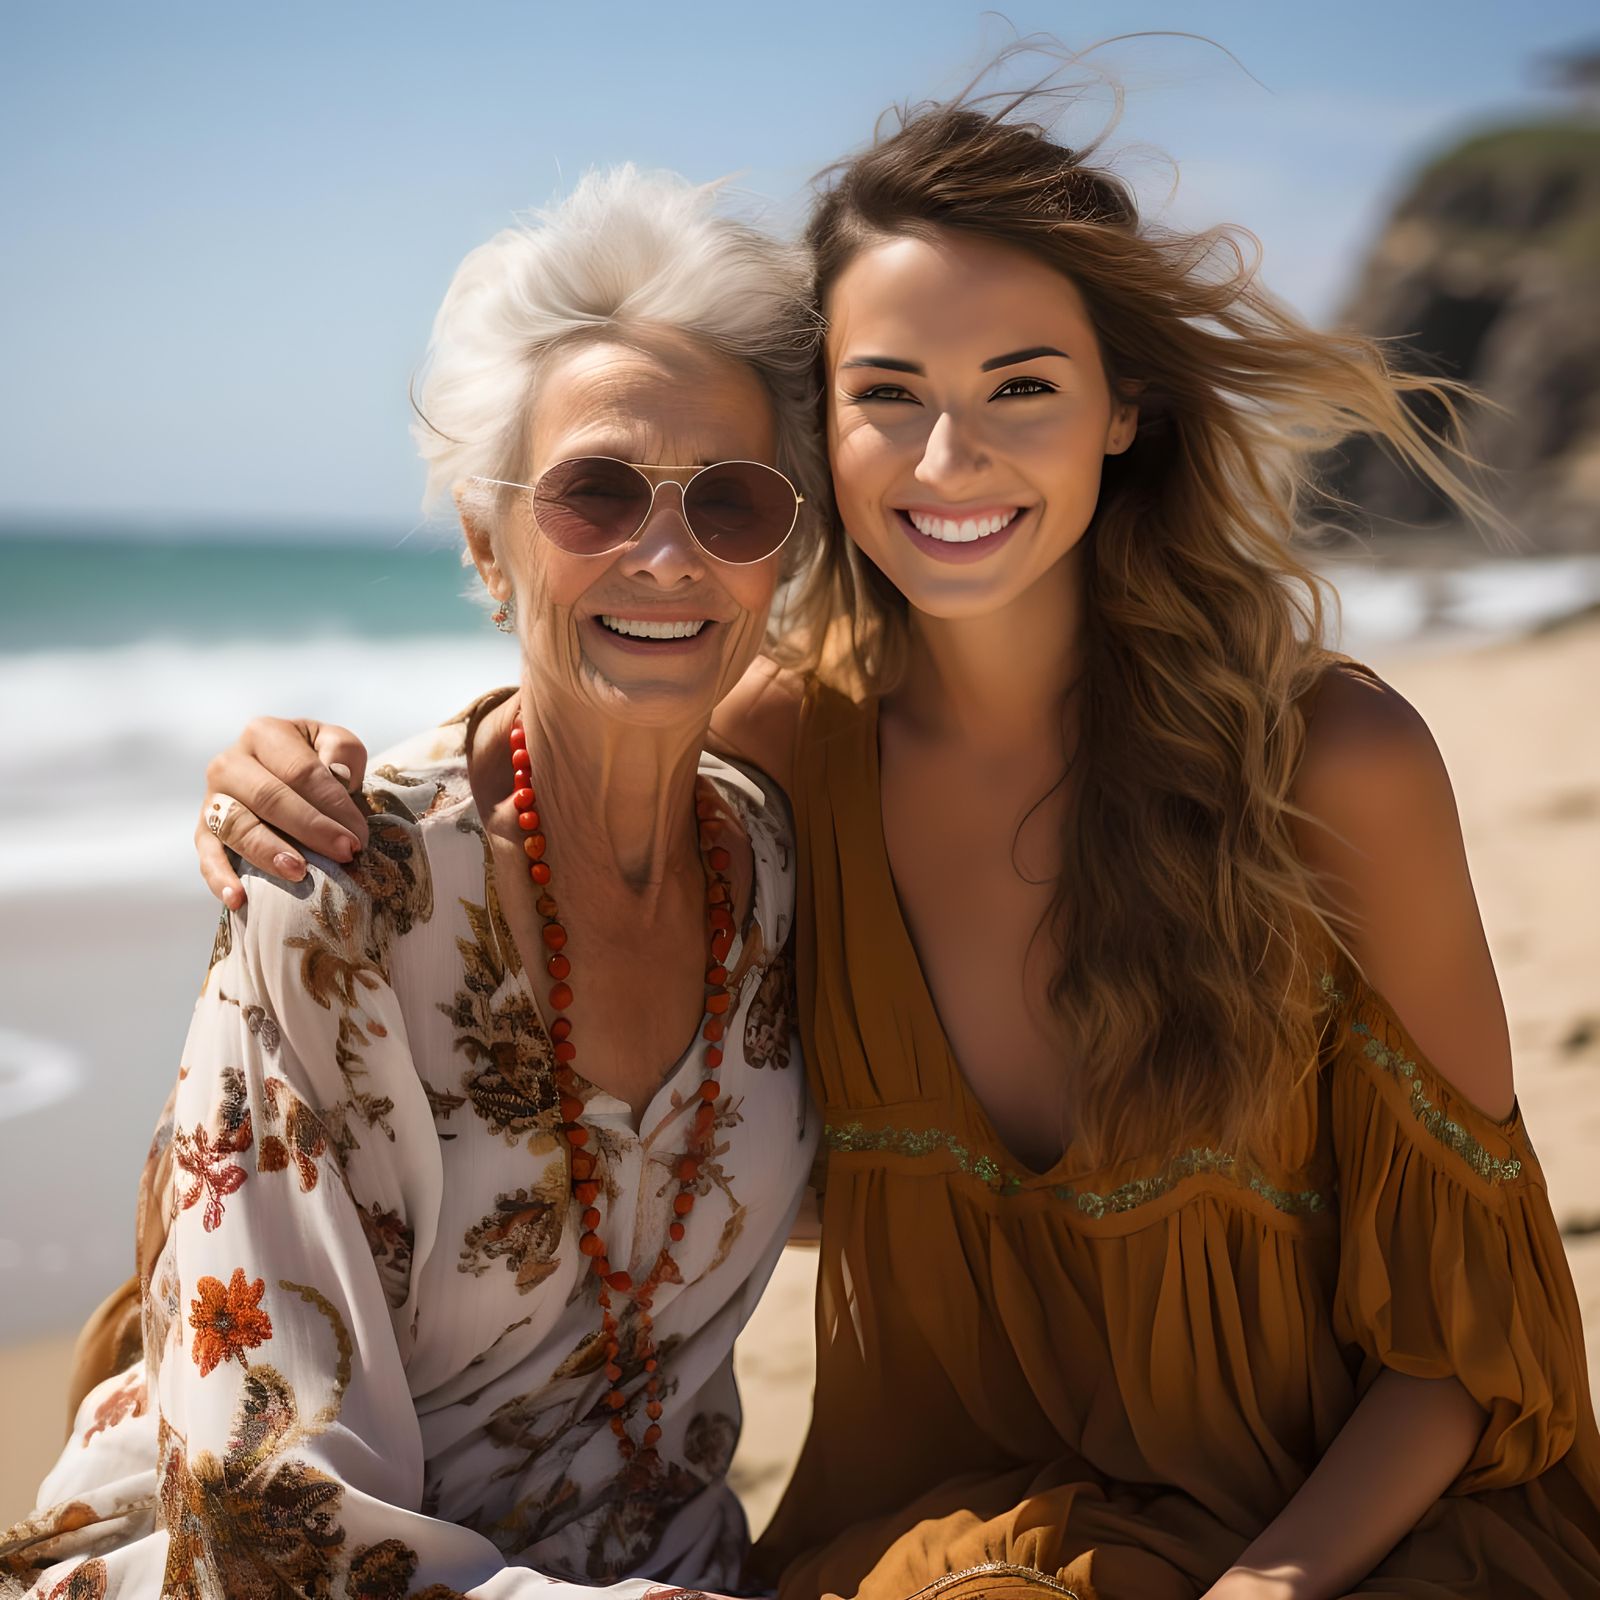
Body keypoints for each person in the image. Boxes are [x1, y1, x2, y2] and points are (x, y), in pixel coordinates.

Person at [190, 81, 1600, 1600]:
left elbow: (1473, 1333)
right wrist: (274, 772)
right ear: (825, 449)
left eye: (1021, 386)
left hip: (1351, 1535)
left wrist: (1267, 1589)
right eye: (887, 393)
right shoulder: (789, 758)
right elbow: (563, 740)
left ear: (1124, 406)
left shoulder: (1335, 767)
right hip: (966, 1543)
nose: (947, 458)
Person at [2, 167, 825, 1600]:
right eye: (596, 490)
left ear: (784, 551)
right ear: (480, 538)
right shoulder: (335, 888)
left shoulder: (777, 865)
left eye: (733, 502)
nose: (666, 552)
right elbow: (264, 1513)